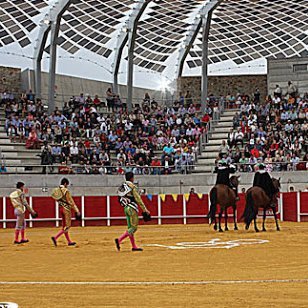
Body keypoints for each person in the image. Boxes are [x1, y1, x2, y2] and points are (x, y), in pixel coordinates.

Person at [115, 172, 150, 252]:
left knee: (130, 228)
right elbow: (138, 199)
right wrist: (145, 209)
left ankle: (134, 246)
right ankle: (119, 239)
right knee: (133, 228)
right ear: (132, 178)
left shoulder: (122, 187)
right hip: (132, 208)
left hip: (126, 208)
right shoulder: (132, 186)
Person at [51, 178, 81, 246]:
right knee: (67, 226)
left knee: (64, 226)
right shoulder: (65, 190)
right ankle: (55, 237)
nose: (67, 186)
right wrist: (77, 210)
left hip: (60, 208)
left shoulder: (56, 190)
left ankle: (69, 241)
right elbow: (70, 201)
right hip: (66, 209)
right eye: (67, 184)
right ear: (65, 183)